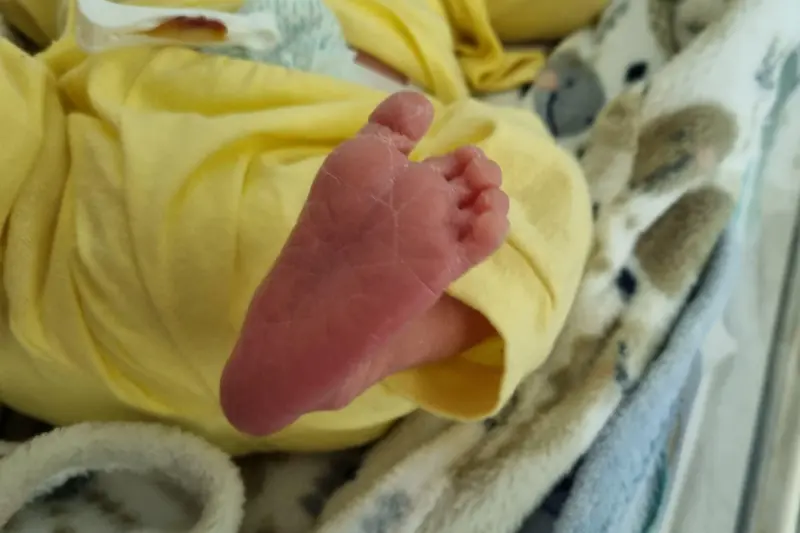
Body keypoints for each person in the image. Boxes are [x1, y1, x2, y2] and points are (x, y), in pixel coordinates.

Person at [0, 0, 592, 454]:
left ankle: (383, 341)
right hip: (79, 183)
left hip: (357, 180)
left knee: (517, 179)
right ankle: (367, 348)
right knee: (529, 190)